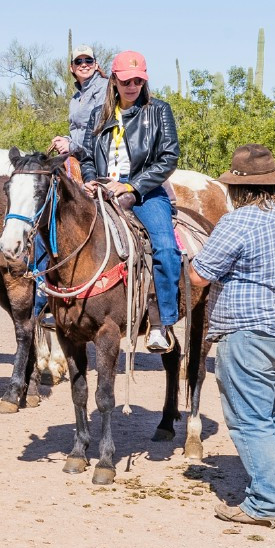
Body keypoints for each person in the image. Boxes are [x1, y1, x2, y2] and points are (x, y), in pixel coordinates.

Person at [190, 144, 275, 528]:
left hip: (249, 332)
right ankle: (271, 487)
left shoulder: (239, 222)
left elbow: (199, 275)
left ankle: (265, 504)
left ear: (239, 188)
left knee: (250, 418)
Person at [78, 50, 181, 352]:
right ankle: (51, 305)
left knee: (164, 246)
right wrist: (89, 179)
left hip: (144, 193)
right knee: (60, 230)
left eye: (138, 80)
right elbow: (86, 155)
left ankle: (162, 322)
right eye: (126, 80)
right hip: (100, 191)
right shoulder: (100, 114)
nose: (132, 86)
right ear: (114, 81)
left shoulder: (158, 111)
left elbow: (168, 157)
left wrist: (132, 187)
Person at [37, 46, 110, 324]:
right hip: (77, 156)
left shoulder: (103, 88)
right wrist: (65, 141)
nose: (83, 64)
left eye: (88, 60)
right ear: (71, 67)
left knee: (62, 216)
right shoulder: (77, 94)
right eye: (78, 61)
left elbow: (99, 131)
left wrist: (72, 145)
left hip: (92, 158)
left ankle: (49, 295)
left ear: (95, 63)